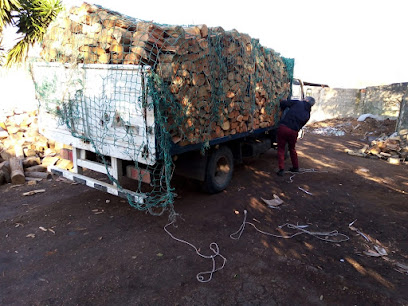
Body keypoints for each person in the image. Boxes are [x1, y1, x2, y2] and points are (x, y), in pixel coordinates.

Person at [276, 96, 315, 176]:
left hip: (284, 127)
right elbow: (301, 124)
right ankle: (295, 167)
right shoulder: (308, 114)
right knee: (292, 149)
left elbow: (283, 104)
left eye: (305, 98)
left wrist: (283, 101)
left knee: (281, 148)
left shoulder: (298, 102)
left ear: (307, 100)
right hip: (294, 131)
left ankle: (281, 169)